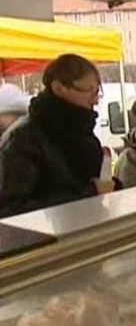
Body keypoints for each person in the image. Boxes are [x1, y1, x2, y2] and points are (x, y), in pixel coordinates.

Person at [0, 54, 115, 218]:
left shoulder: (83, 133)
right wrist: (89, 193)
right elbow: (11, 209)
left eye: (97, 92)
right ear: (59, 88)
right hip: (51, 240)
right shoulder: (24, 139)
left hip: (90, 231)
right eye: (88, 91)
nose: (96, 100)